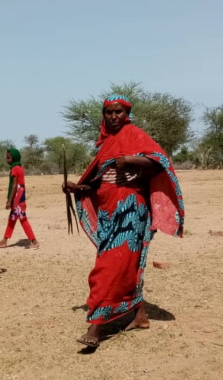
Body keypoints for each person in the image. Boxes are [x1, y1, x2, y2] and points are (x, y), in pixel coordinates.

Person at [62, 94, 184, 349]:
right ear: (103, 115)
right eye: (109, 112)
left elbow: (160, 162)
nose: (114, 116)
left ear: (126, 113)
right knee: (124, 263)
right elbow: (98, 178)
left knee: (111, 265)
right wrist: (78, 187)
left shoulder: (135, 134)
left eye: (119, 112)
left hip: (131, 209)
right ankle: (140, 317)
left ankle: (96, 326)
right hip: (108, 211)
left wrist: (130, 160)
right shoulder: (106, 143)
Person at [0, 148, 40, 250]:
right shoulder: (19, 168)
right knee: (12, 219)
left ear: (14, 157)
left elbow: (14, 186)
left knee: (23, 220)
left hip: (17, 199)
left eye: (9, 157)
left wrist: (10, 201)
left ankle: (34, 241)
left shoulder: (14, 169)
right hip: (21, 196)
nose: (7, 159)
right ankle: (4, 241)